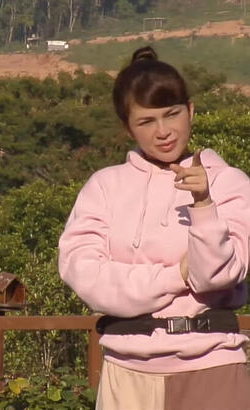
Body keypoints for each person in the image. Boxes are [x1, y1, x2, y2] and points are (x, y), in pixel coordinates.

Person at [58, 46, 250, 410]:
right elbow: (88, 278)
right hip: (127, 374)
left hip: (213, 368)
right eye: (146, 122)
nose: (163, 132)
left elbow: (216, 277)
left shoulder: (230, 183)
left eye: (172, 114)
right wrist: (174, 276)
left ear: (191, 111)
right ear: (127, 126)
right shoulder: (104, 187)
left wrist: (204, 205)